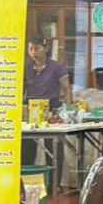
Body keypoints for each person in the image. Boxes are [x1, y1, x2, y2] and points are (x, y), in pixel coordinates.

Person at [22, 36, 71, 164]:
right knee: (28, 145)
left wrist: (68, 109)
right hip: (31, 110)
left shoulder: (57, 67)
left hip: (51, 109)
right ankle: (28, 174)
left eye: (37, 48)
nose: (33, 52)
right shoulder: (26, 67)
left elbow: (66, 88)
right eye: (30, 49)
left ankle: (54, 175)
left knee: (52, 146)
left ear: (46, 49)